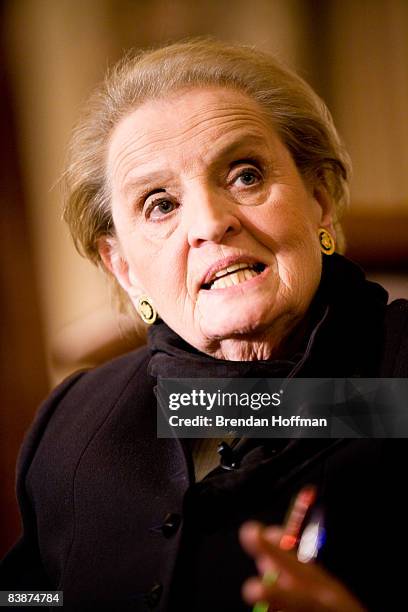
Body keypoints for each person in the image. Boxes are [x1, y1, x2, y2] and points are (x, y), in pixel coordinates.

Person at [1, 39, 407, 612]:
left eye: (244, 176)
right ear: (123, 269)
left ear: (318, 201)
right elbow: (37, 592)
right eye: (160, 205)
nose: (211, 223)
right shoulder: (74, 423)